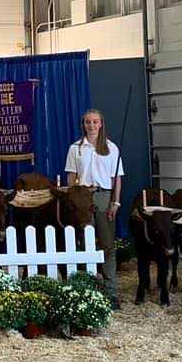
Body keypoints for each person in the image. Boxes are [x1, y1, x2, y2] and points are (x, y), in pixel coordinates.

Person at [65, 108, 123, 310]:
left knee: (107, 246)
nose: (91, 125)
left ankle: (111, 293)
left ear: (101, 124)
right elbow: (71, 176)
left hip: (104, 195)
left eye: (95, 122)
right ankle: (85, 290)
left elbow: (117, 178)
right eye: (88, 122)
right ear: (83, 124)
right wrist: (74, 198)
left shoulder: (111, 148)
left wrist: (116, 203)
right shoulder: (75, 148)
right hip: (83, 196)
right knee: (83, 244)